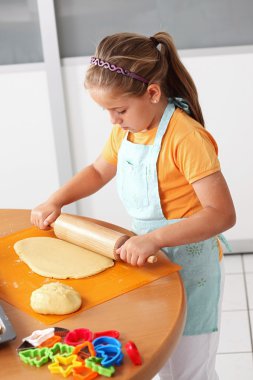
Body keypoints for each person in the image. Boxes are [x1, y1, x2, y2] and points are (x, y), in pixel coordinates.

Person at [31, 32, 236, 380]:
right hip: (149, 261)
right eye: (106, 110)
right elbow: (98, 171)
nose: (112, 119)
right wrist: (56, 199)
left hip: (191, 267)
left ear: (152, 93)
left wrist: (155, 239)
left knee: (188, 370)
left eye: (119, 109)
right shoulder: (127, 130)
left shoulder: (185, 138)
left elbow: (222, 214)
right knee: (159, 356)